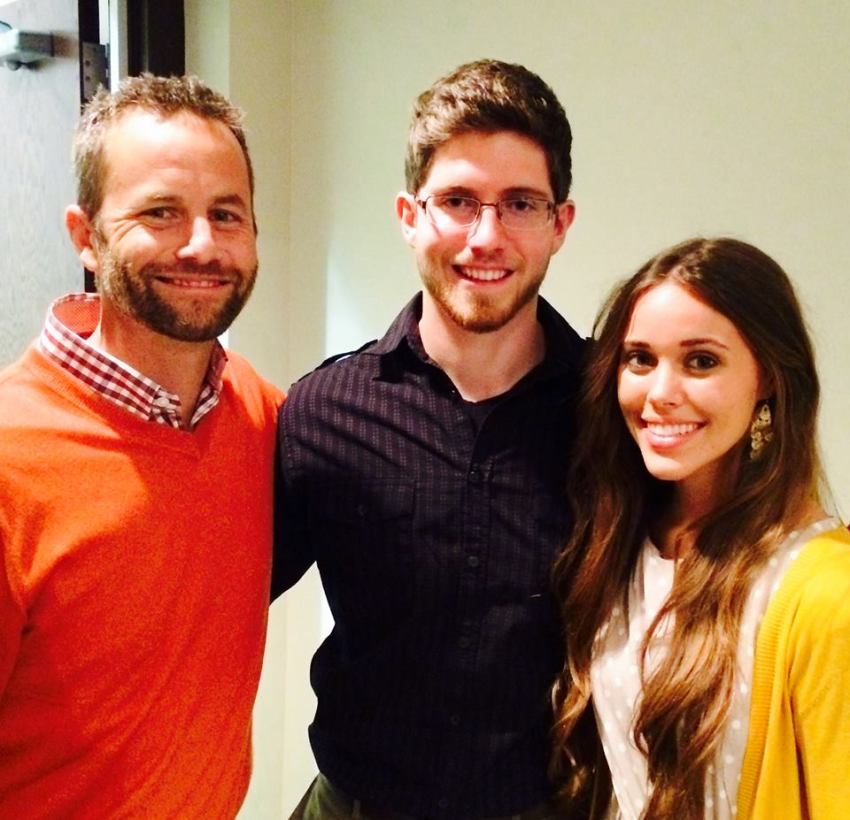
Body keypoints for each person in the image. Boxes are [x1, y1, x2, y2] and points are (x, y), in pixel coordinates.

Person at [275, 59, 585, 819]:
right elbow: (209, 605)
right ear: (410, 215)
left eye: (519, 203)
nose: (487, 236)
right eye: (457, 201)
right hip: (355, 802)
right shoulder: (323, 413)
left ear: (560, 224)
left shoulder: (612, 413)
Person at [0, 74, 283, 817]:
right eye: (161, 212)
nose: (201, 244)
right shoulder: (8, 456)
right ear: (85, 237)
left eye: (227, 215)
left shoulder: (258, 412)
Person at [551, 237, 850, 819]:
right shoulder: (617, 550)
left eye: (701, 361)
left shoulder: (825, 593)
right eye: (640, 358)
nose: (661, 394)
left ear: (767, 379)